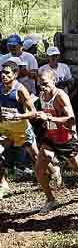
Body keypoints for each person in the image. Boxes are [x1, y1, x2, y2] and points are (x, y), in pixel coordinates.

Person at [34, 70, 78, 213]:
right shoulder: (41, 95)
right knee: (39, 169)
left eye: (45, 84)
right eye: (40, 84)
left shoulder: (61, 96)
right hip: (50, 137)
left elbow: (71, 118)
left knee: (76, 167)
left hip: (66, 139)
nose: (43, 87)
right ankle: (51, 200)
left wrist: (49, 119)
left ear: (54, 81)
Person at [0, 60, 38, 198]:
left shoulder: (20, 90)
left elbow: (33, 112)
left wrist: (19, 115)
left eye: (7, 73)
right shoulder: (0, 88)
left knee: (36, 157)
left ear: (15, 74)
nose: (3, 75)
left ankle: (53, 171)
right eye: (2, 73)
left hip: (22, 129)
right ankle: (3, 183)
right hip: (5, 130)